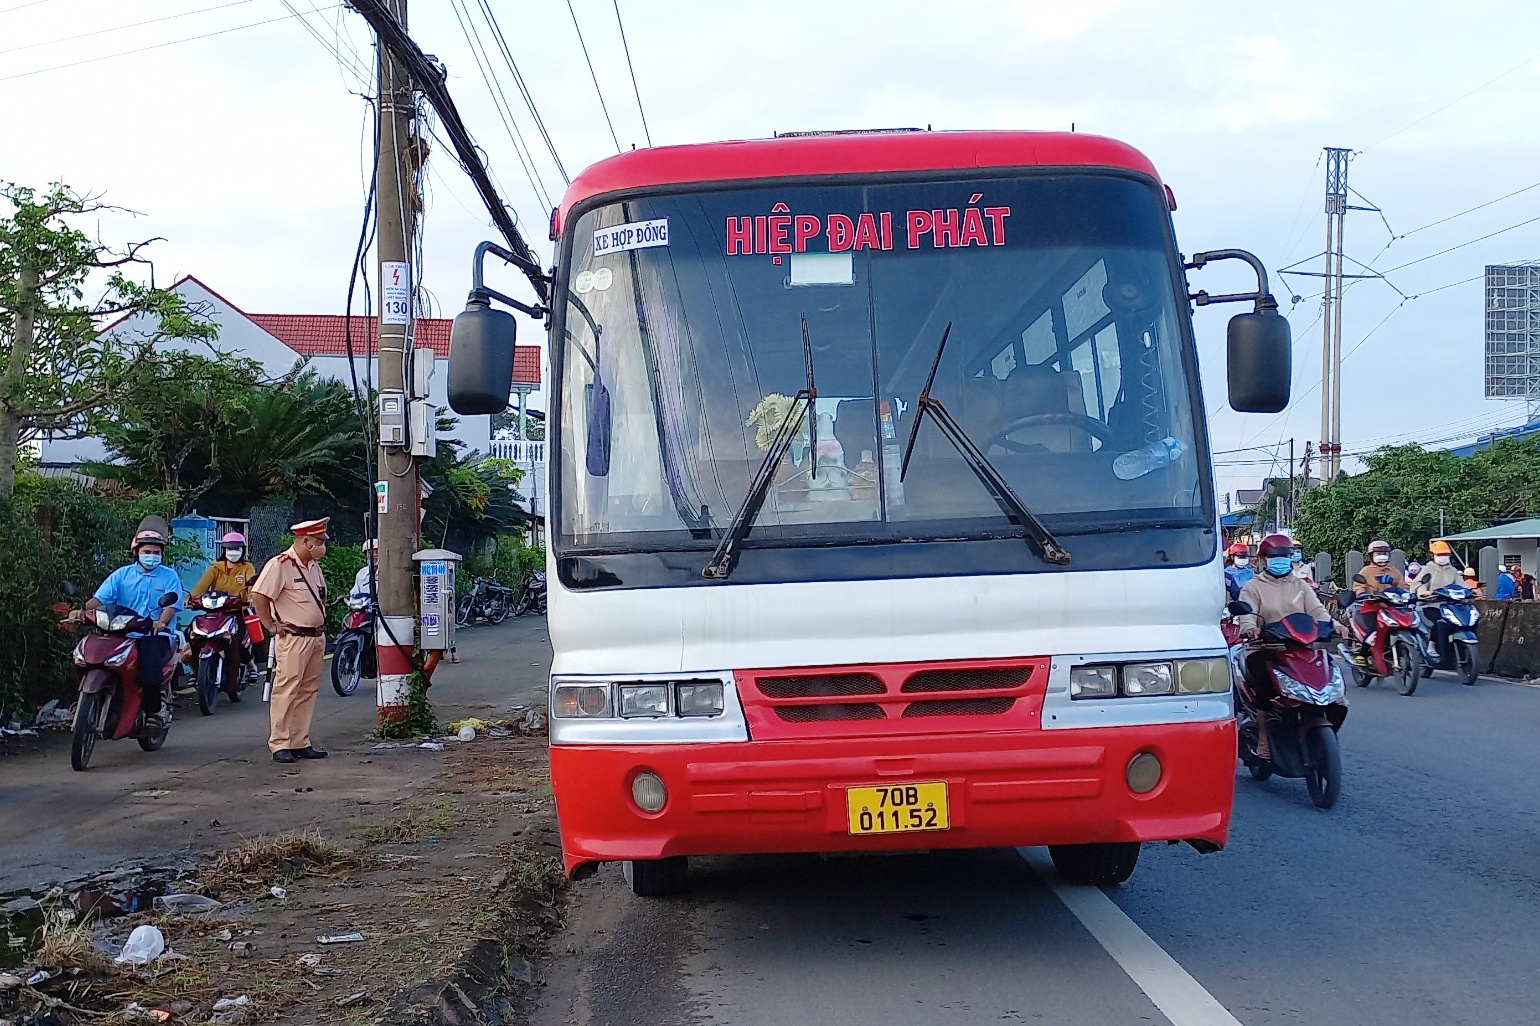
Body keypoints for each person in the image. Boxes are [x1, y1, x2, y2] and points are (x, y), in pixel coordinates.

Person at [1236, 533, 1336, 760]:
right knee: (1264, 685)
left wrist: (1335, 625)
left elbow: (1317, 611)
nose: (1280, 560)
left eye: (1285, 555)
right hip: (1264, 648)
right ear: (1263, 559)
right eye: (1274, 556)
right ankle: (1263, 737)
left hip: (1299, 649)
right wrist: (1250, 627)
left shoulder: (1301, 585)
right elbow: (1248, 613)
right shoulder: (1253, 587)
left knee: (1326, 675)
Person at [74, 529, 184, 729]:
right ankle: (85, 702)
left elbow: (171, 605)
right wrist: (81, 611)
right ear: (136, 552)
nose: (152, 556)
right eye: (147, 551)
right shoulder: (121, 575)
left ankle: (154, 711)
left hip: (153, 634)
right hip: (120, 632)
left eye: (156, 553)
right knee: (91, 653)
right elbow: (100, 599)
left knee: (149, 665)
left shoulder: (169, 576)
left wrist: (161, 622)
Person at [251, 518, 331, 765]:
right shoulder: (280, 565)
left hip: (316, 636)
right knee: (287, 689)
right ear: (305, 541)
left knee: (308, 690)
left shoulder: (314, 566)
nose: (321, 546)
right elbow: (259, 595)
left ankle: (300, 741)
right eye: (318, 542)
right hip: (293, 637)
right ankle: (280, 743)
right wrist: (270, 625)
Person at [189, 532, 259, 674]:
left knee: (238, 639)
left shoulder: (247, 567)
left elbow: (252, 585)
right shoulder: (215, 568)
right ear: (224, 550)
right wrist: (190, 597)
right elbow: (202, 585)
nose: (233, 552)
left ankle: (251, 665)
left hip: (236, 610)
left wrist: (251, 598)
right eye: (229, 549)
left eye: (237, 549)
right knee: (192, 634)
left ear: (242, 550)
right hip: (215, 611)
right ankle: (195, 668)